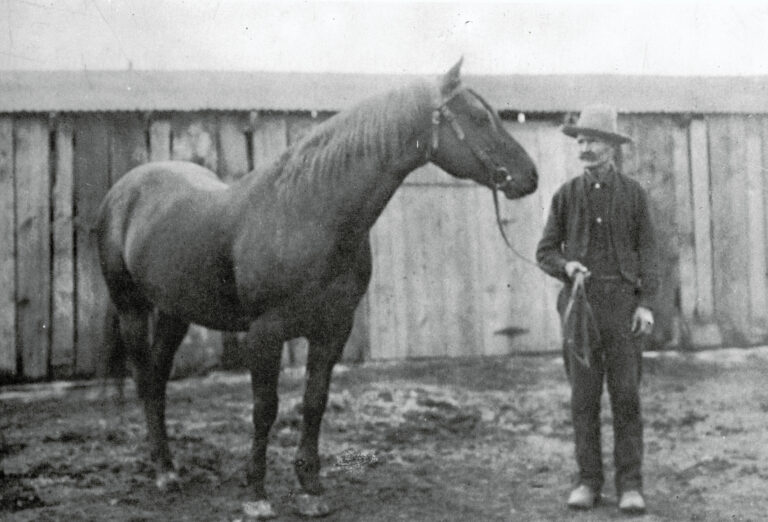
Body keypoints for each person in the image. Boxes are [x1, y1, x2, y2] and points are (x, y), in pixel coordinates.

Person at [535, 104, 658, 514]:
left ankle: (631, 486)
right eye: (581, 140)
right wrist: (566, 265)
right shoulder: (566, 196)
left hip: (623, 312)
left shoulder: (634, 195)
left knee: (626, 398)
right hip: (580, 314)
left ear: (611, 146)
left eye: (593, 140)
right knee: (583, 400)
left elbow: (650, 255)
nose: (585, 148)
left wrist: (646, 306)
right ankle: (588, 482)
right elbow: (545, 251)